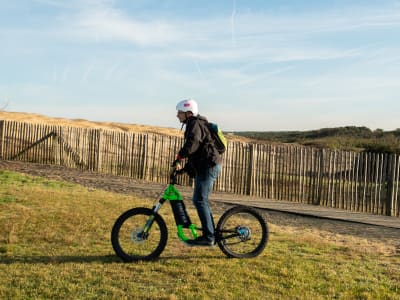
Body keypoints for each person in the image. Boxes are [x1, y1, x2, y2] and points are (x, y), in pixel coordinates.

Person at [173, 98, 222, 246]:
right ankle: (210, 233)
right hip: (205, 164)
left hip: (209, 166)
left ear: (188, 113)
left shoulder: (194, 123)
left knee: (200, 200)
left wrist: (179, 157)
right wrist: (184, 169)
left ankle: (209, 237)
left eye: (179, 112)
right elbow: (197, 153)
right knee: (199, 200)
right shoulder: (194, 124)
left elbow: (193, 143)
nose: (177, 116)